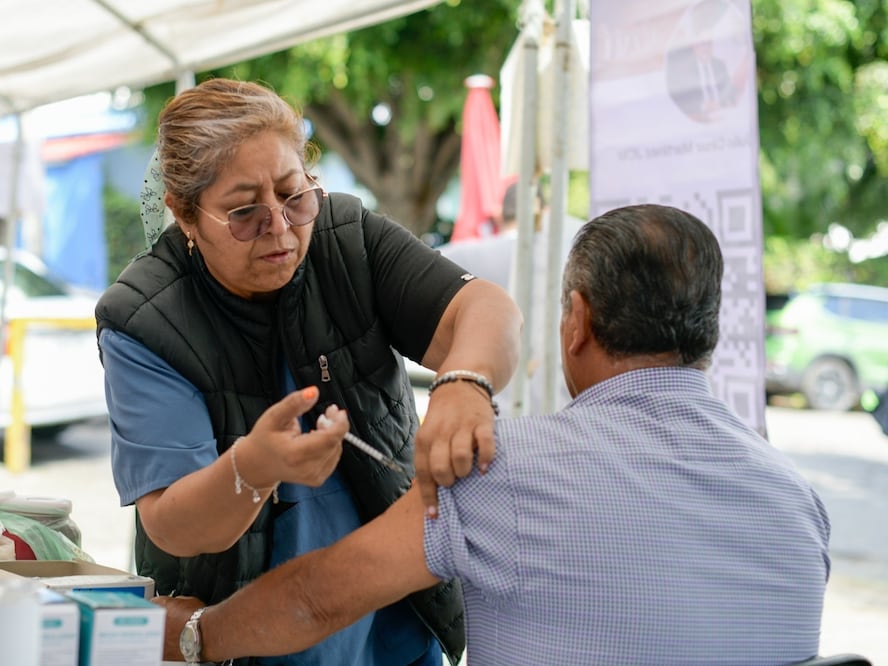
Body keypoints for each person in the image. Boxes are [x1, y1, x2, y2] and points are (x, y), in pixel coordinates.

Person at [156, 204, 831, 665]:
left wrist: (193, 636)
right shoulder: (799, 502)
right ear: (710, 332)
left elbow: (316, 599)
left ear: (577, 321)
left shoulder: (498, 468)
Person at [95, 77, 522, 666]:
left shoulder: (346, 238)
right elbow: (174, 524)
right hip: (240, 634)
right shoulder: (141, 318)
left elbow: (486, 309)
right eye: (244, 213)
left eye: (294, 195)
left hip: (392, 626)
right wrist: (253, 468)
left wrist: (464, 382)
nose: (279, 227)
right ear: (184, 215)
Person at [438, 181, 580, 416]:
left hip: (493, 404)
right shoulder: (571, 245)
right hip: (561, 401)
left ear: (498, 215)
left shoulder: (474, 254)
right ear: (545, 210)